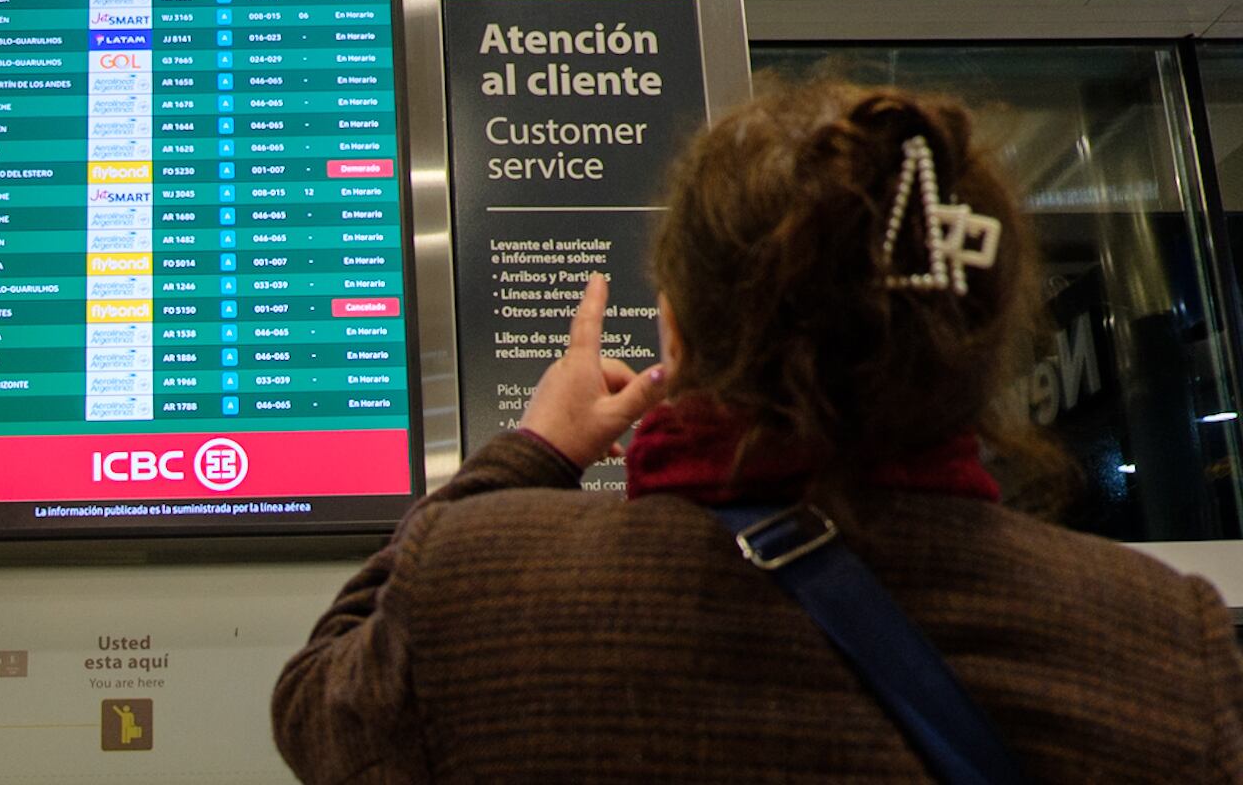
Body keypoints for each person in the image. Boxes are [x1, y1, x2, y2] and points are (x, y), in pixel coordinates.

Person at [271, 81, 1243, 782]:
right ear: (977, 348)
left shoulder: (482, 588)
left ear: (677, 331)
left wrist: (535, 453)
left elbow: (318, 707)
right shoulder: (1169, 648)